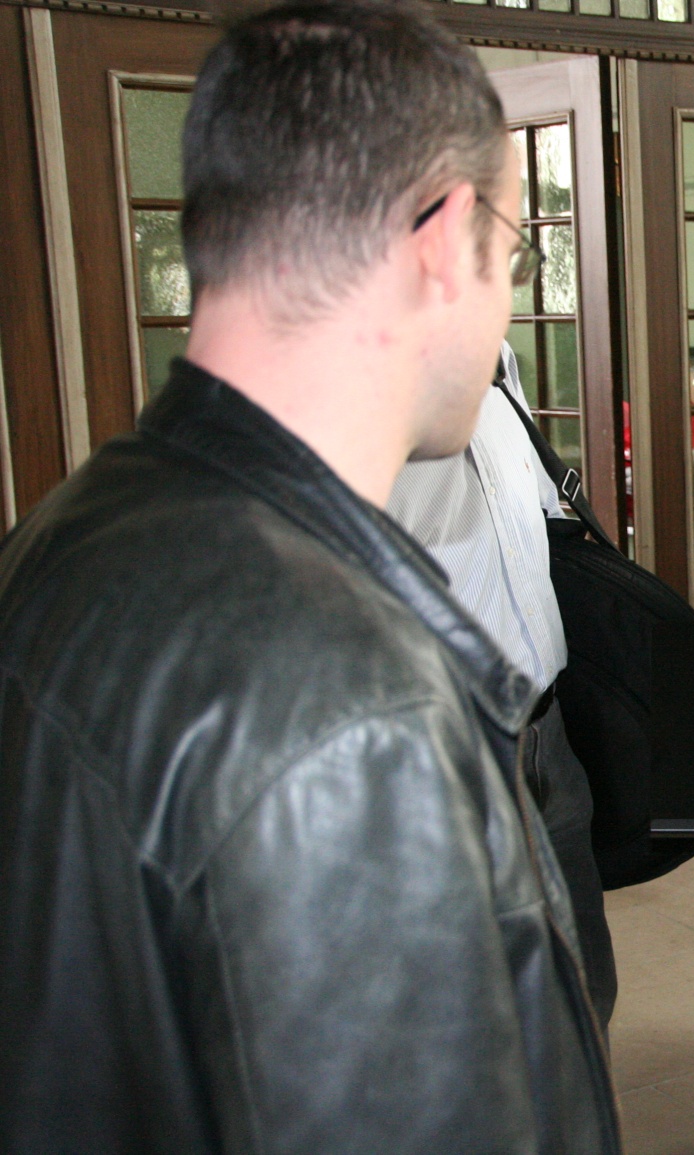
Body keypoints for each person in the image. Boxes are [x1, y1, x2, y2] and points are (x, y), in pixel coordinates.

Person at [0, 3, 619, 1150]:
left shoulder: (61, 533)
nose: (505, 295)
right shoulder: (350, 700)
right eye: (512, 253)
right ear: (444, 236)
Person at [388, 340, 618, 1030]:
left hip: (547, 736)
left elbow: (539, 525)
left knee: (584, 987)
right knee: (469, 1011)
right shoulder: (354, 407)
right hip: (444, 756)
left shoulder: (494, 363)